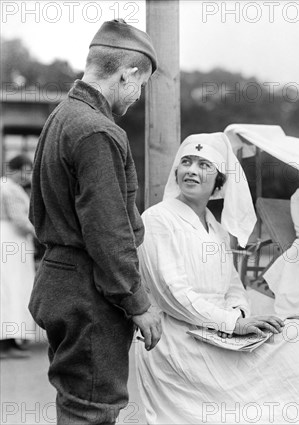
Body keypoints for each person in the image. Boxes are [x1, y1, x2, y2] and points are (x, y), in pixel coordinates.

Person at [135, 133, 299, 424]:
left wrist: (239, 314)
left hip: (219, 330)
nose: (192, 170)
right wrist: (233, 324)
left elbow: (233, 287)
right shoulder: (158, 219)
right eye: (186, 162)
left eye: (203, 165)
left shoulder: (216, 229)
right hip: (179, 338)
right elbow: (172, 295)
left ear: (218, 182)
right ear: (177, 172)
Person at [28, 20, 162, 424]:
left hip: (61, 281)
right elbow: (108, 231)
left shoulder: (62, 116)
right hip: (89, 294)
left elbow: (39, 211)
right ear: (127, 74)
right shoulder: (97, 130)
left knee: (78, 402)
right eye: (141, 85)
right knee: (91, 410)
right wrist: (138, 302)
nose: (137, 96)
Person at [0, 155, 36, 359]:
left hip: (11, 241)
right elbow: (19, 220)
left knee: (12, 289)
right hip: (11, 241)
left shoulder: (6, 186)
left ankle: (12, 339)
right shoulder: (9, 188)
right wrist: (39, 233)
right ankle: (6, 342)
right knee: (10, 289)